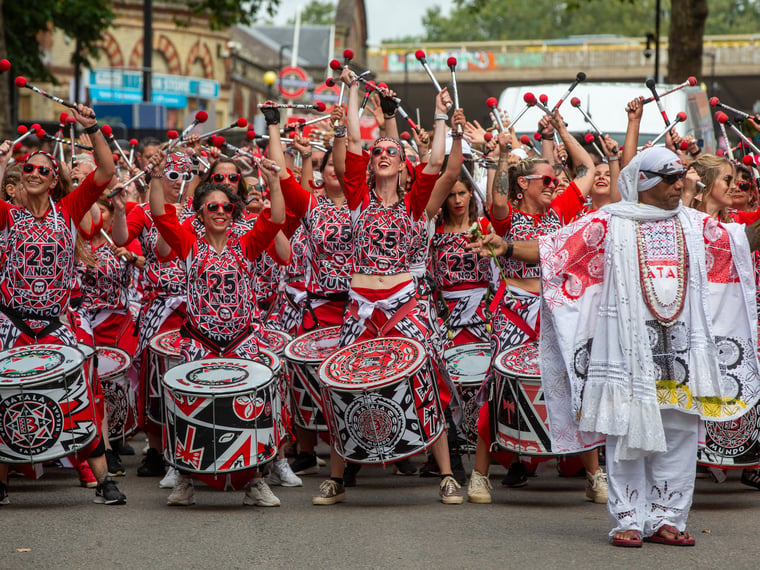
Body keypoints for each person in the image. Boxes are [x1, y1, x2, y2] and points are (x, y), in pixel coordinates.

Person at [539, 146, 760, 547]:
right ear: (644, 182)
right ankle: (627, 518)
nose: (681, 184)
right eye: (670, 178)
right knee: (625, 432)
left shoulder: (696, 224)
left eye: (681, 176)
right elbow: (555, 254)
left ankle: (667, 519)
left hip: (681, 353)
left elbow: (743, 242)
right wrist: (504, 249)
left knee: (677, 431)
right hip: (626, 350)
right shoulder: (609, 222)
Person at [0, 104, 126, 506]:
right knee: (4, 396)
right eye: (28, 169)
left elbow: (105, 174)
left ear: (55, 181)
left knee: (82, 393)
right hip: (12, 323)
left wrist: (92, 128)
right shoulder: (7, 215)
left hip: (55, 324)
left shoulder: (68, 211)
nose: (34, 174)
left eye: (43, 170)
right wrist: (3, 162)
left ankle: (104, 481)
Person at [148, 150, 286, 506]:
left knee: (254, 406)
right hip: (199, 342)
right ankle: (184, 479)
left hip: (242, 342)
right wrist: (155, 178)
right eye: (213, 208)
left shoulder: (247, 243)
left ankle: (256, 480)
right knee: (189, 409)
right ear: (201, 214)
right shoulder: (188, 242)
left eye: (227, 208)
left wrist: (273, 181)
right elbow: (161, 217)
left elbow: (276, 220)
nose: (221, 212)